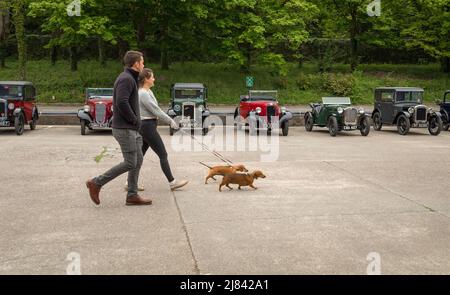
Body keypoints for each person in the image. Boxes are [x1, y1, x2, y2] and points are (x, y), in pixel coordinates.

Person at [86, 51, 152, 206]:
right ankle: (96, 182)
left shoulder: (131, 79)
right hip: (124, 128)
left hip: (132, 128)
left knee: (138, 160)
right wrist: (134, 119)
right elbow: (122, 102)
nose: (143, 65)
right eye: (142, 62)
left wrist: (136, 123)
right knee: (130, 162)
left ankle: (132, 195)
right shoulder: (126, 79)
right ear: (135, 64)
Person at [137, 68, 188, 191]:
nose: (154, 79)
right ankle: (172, 182)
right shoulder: (143, 93)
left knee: (140, 155)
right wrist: (171, 121)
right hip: (147, 126)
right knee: (163, 154)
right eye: (152, 77)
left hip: (148, 125)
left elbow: (156, 110)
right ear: (146, 79)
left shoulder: (147, 91)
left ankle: (130, 182)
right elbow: (156, 111)